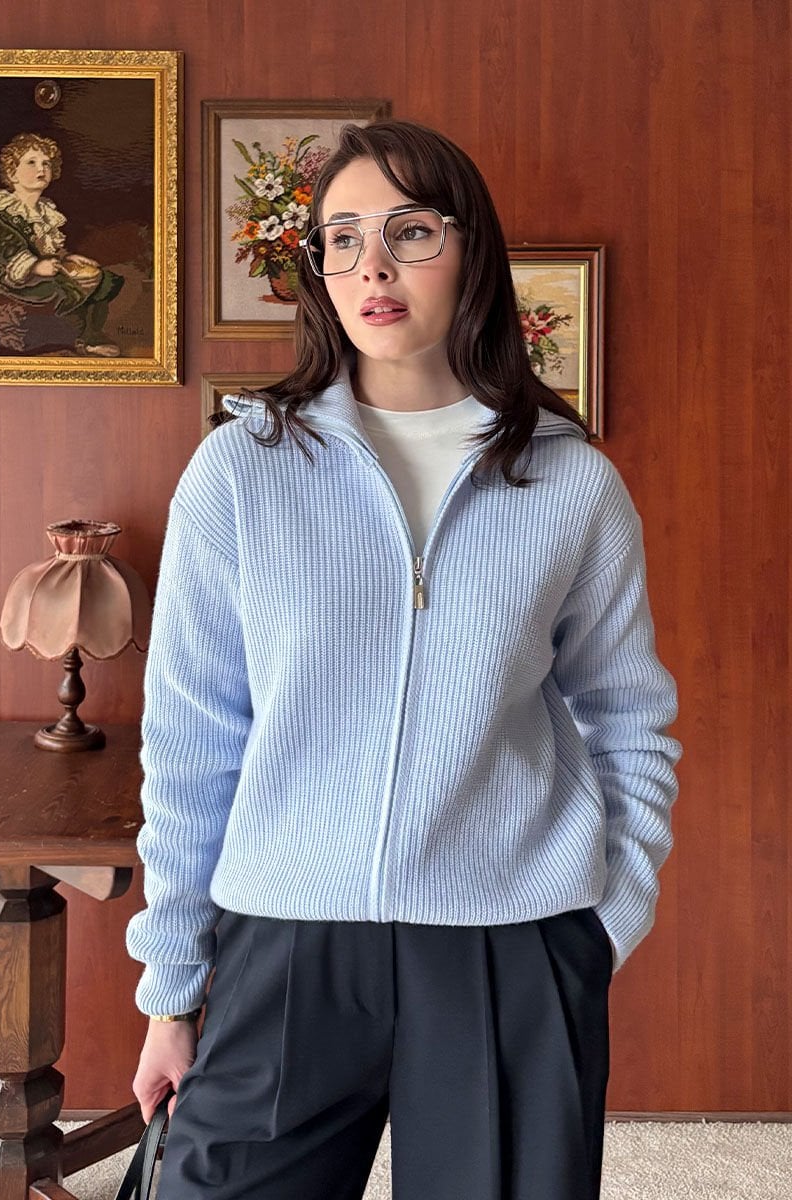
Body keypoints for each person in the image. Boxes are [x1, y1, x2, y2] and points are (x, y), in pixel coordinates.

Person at [127, 119, 681, 1200]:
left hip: (507, 938)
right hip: (285, 936)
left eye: (410, 231)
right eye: (341, 238)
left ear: (471, 249)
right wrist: (170, 987)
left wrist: (603, 922)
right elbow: (192, 739)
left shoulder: (571, 484)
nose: (372, 266)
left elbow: (626, 719)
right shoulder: (240, 472)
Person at [0, 132, 123, 355]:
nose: (41, 169)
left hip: (38, 271)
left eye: (46, 163)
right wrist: (35, 267)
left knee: (103, 279)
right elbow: (5, 248)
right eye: (31, 162)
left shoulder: (44, 210)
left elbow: (46, 249)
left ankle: (91, 336)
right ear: (12, 173)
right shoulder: (1, 211)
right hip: (9, 277)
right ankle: (75, 339)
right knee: (64, 288)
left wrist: (66, 258)